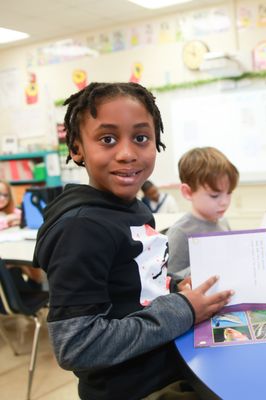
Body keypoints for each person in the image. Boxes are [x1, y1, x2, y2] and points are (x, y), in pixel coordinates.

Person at [32, 82, 233, 400]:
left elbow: (136, 288)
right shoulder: (82, 229)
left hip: (169, 362)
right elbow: (76, 345)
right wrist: (182, 308)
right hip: (137, 389)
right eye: (107, 139)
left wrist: (176, 286)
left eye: (141, 138)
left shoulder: (133, 209)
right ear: (76, 148)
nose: (127, 154)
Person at [167, 146, 239, 277]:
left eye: (228, 193)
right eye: (214, 195)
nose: (224, 202)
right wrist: (205, 266)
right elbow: (170, 279)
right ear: (188, 192)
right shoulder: (180, 233)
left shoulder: (223, 222)